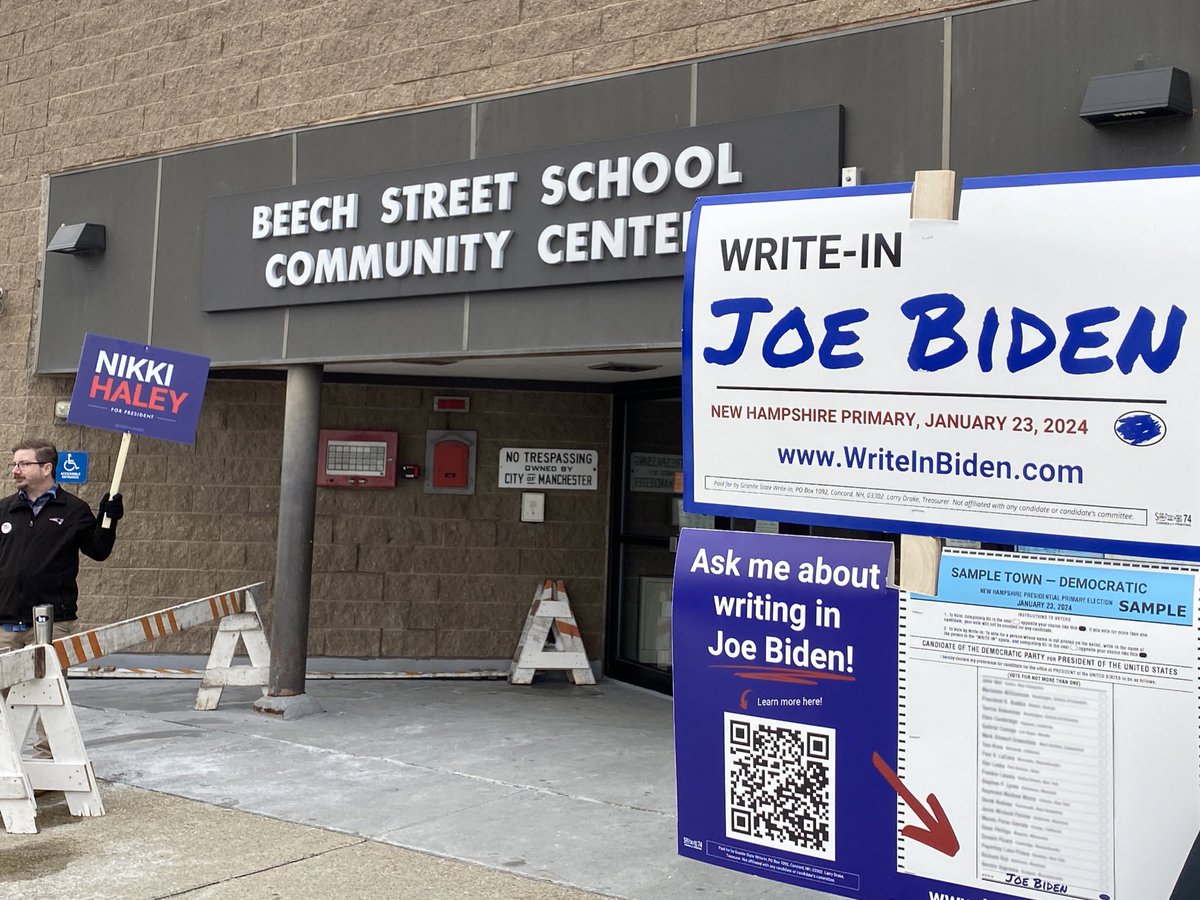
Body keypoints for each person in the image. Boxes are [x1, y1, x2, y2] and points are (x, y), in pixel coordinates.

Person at [0, 438, 124, 759]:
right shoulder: (4, 509)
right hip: (5, 621)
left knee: (47, 694)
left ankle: (47, 764)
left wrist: (108, 521)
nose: (15, 470)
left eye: (22, 464)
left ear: (46, 468)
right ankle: (6, 764)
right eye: (14, 464)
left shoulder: (73, 510)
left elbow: (99, 550)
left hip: (51, 622)